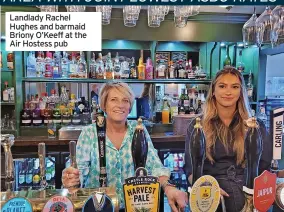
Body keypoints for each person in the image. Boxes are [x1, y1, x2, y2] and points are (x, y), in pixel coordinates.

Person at [62, 82, 187, 212]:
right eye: (113, 99)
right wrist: (73, 179)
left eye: (125, 100)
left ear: (130, 106)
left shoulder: (138, 130)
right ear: (104, 104)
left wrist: (169, 188)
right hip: (99, 208)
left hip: (134, 207)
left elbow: (155, 166)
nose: (120, 105)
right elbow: (80, 172)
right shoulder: (90, 133)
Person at [184, 67, 273, 212]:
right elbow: (190, 168)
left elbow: (264, 167)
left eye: (235, 87)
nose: (228, 92)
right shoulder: (197, 126)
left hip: (249, 192)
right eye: (222, 86)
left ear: (241, 92)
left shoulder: (255, 126)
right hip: (211, 195)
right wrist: (207, 188)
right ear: (213, 91)